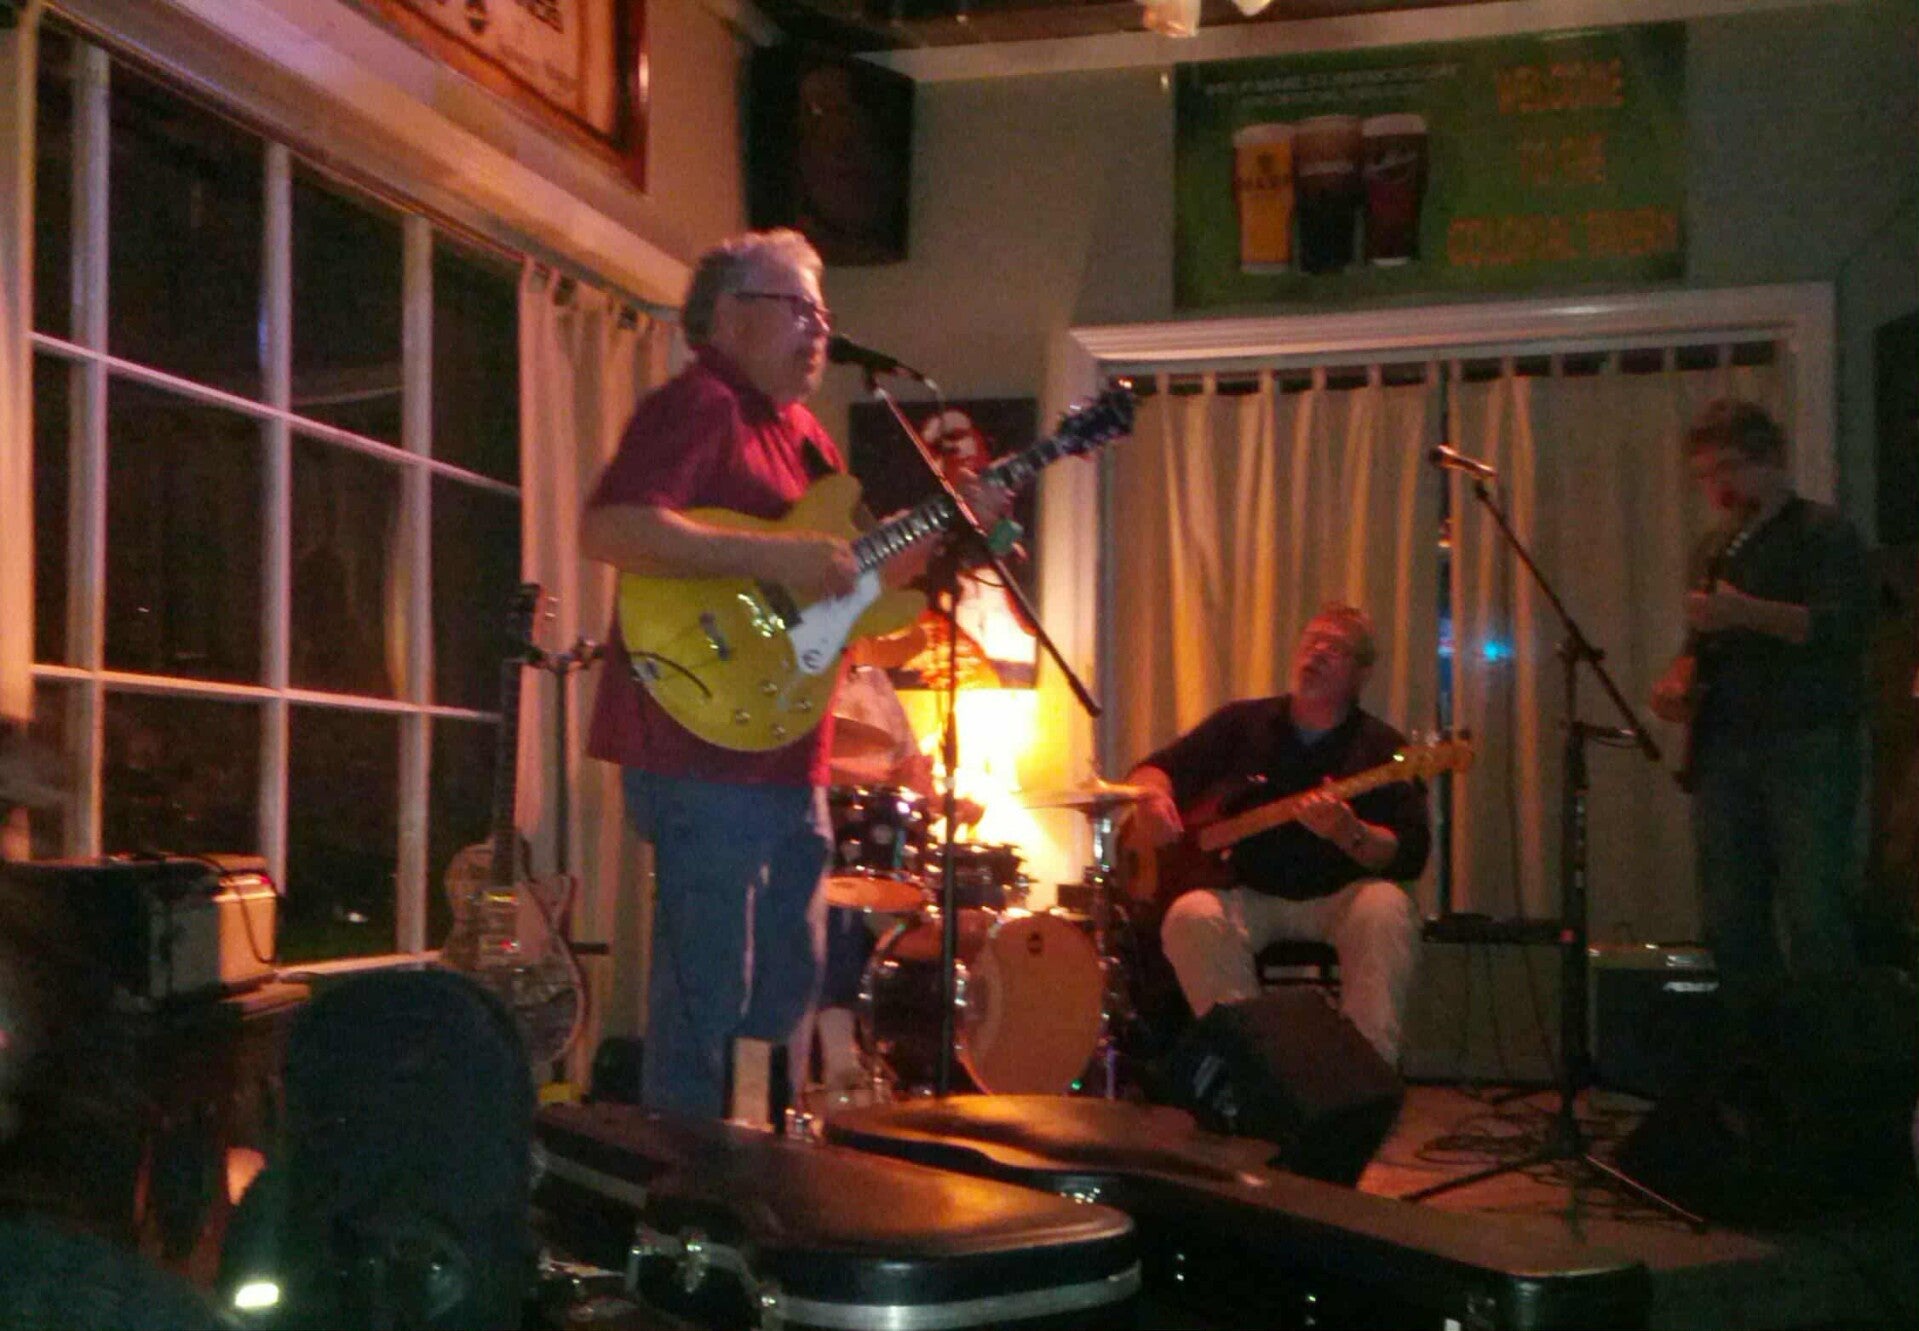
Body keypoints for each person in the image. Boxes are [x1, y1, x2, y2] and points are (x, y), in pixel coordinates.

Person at [579, 229, 1001, 1118]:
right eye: (799, 308)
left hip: (784, 740)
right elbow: (613, 527)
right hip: (698, 736)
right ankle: (688, 1173)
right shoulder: (699, 404)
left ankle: (751, 1144)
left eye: (823, 312)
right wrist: (774, 554)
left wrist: (959, 519)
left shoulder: (808, 439)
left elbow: (856, 591)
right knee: (710, 989)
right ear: (730, 317)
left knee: (788, 981)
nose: (820, 329)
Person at [1125, 604, 1431, 1066]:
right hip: (1247, 892)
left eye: (1336, 648)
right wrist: (1150, 799)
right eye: (1312, 641)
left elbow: (1409, 852)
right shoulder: (1242, 723)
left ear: (1362, 674)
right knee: (1190, 915)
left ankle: (1366, 1072)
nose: (1318, 653)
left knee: (1387, 908)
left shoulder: (1384, 749)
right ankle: (1253, 1066)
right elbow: (1155, 769)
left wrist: (1352, 833)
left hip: (1339, 898)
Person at [1650, 398, 1871, 1026]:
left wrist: (1745, 612)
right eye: (1705, 475)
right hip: (1723, 748)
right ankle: (1757, 1054)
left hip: (1807, 744)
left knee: (1814, 911)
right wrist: (1677, 683)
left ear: (1771, 459)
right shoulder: (1713, 547)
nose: (1717, 488)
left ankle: (1828, 1059)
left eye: (1728, 469)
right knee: (1730, 915)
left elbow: (1842, 627)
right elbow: (1700, 644)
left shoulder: (1824, 533)